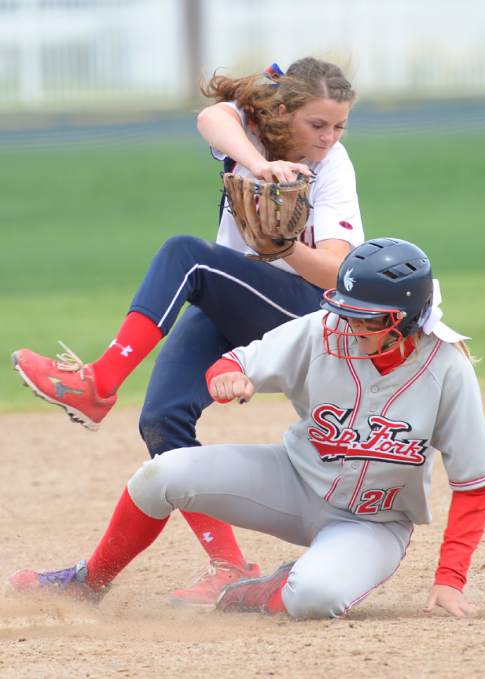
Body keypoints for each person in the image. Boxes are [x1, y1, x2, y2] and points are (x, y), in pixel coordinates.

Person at [12, 57, 364, 606]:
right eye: (317, 124)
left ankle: (99, 384)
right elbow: (214, 117)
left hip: (304, 316)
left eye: (339, 125)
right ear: (282, 113)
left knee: (187, 256)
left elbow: (337, 270)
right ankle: (209, 566)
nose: (329, 136)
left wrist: (282, 248)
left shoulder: (333, 167)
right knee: (161, 420)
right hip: (231, 298)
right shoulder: (248, 135)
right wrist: (259, 164)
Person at [9, 238, 485, 619]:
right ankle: (88, 581)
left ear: (401, 321)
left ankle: (261, 591)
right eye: (343, 309)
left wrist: (449, 580)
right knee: (163, 474)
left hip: (371, 523)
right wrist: (228, 376)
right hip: (291, 480)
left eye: (362, 317)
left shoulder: (446, 372)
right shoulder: (322, 330)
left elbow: (473, 484)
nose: (345, 323)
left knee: (315, 597)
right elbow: (235, 359)